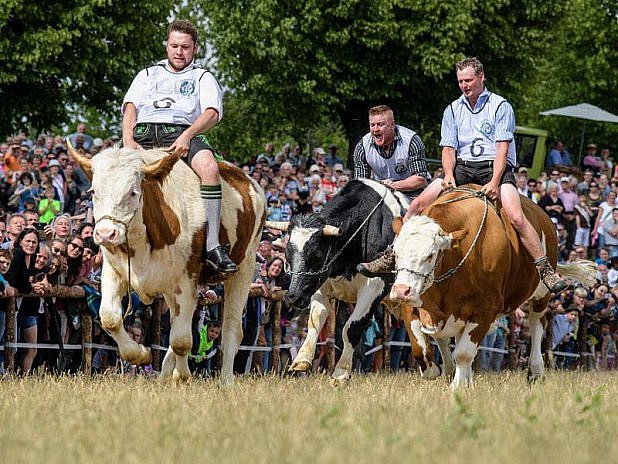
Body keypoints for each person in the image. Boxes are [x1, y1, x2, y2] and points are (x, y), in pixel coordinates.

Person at [358, 58, 567, 293]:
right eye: (460, 81)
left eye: (468, 80)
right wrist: (448, 174)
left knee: (516, 216)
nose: (464, 85)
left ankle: (544, 268)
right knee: (416, 205)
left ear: (481, 77)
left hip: (493, 167)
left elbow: (502, 148)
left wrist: (495, 181)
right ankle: (391, 254)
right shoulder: (453, 109)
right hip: (463, 167)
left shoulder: (500, 106)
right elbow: (448, 148)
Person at [120, 19, 236, 274]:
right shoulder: (148, 74)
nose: (178, 52)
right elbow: (130, 107)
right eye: (174, 46)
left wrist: (188, 136)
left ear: (194, 47)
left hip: (183, 131)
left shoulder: (202, 76)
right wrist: (128, 141)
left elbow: (212, 112)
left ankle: (213, 246)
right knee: (109, 172)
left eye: (184, 47)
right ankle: (103, 242)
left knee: (209, 168)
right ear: (167, 45)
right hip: (143, 132)